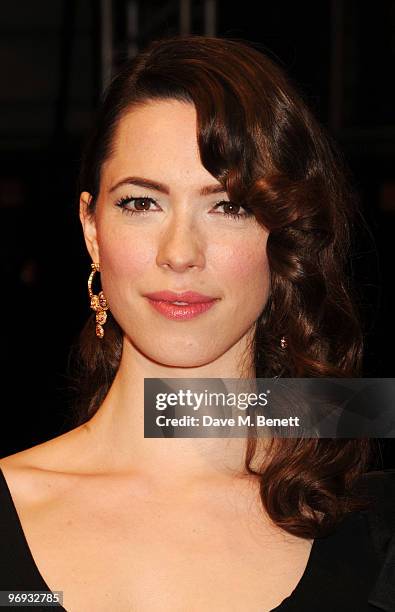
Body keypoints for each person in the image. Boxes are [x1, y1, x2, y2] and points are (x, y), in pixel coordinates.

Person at [0, 34, 394, 612]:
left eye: (228, 206)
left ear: (284, 235)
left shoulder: (374, 531)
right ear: (91, 229)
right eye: (141, 202)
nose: (180, 252)